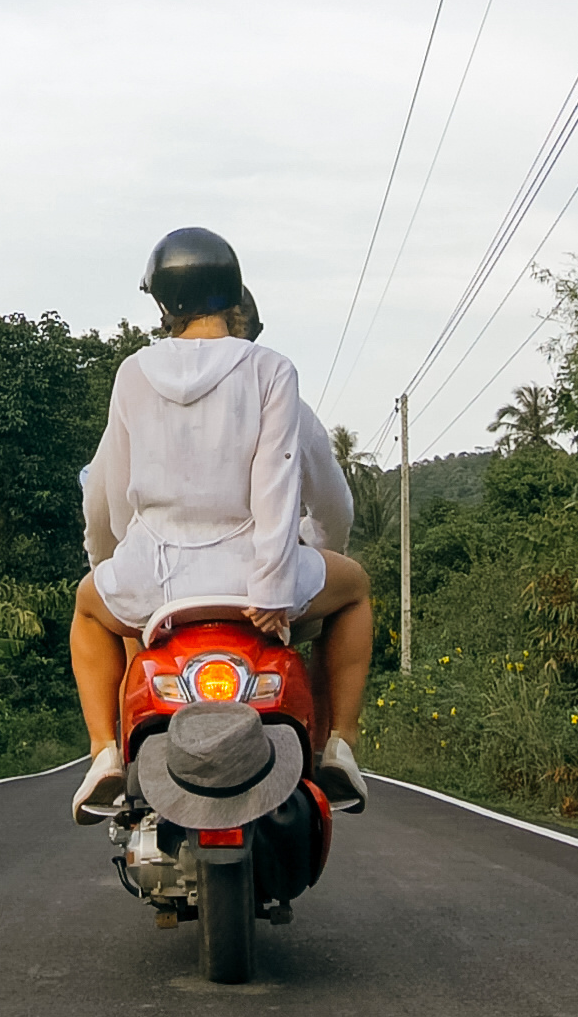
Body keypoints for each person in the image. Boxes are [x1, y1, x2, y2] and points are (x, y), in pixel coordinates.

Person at [69, 226, 374, 822]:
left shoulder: (133, 372)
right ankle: (340, 745)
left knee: (86, 606)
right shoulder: (272, 369)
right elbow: (278, 479)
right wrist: (275, 581)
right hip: (252, 581)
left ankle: (104, 753)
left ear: (163, 303)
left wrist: (124, 565)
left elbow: (115, 492)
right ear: (233, 293)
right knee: (355, 586)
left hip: (154, 577)